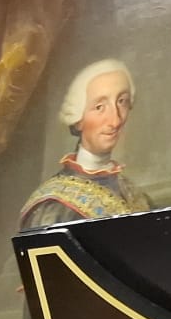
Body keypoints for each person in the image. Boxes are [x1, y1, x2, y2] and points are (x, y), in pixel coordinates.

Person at [18, 58, 152, 230]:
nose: (115, 120)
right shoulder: (53, 207)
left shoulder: (132, 193)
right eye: (99, 107)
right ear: (78, 119)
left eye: (122, 101)